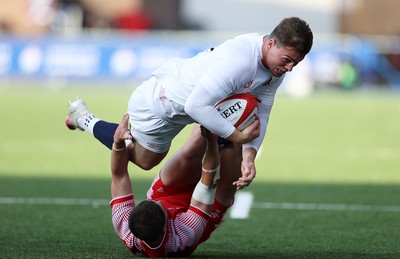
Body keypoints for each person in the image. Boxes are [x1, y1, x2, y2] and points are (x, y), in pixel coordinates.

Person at [66, 16, 313, 189]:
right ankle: (84, 118)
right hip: (159, 104)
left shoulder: (274, 67)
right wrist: (236, 137)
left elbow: (263, 110)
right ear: (270, 43)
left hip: (185, 107)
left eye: (296, 63)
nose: (290, 68)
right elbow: (195, 106)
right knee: (144, 160)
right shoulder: (241, 60)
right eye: (287, 59)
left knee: (152, 158)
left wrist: (249, 154)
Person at [110, 113, 242, 257]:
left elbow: (119, 174)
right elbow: (209, 180)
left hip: (169, 193)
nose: (159, 202)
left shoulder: (125, 227)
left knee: (194, 147)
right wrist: (211, 141)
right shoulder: (185, 234)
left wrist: (118, 141)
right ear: (166, 226)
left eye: (153, 202)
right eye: (160, 206)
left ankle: (212, 103)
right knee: (233, 146)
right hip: (205, 212)